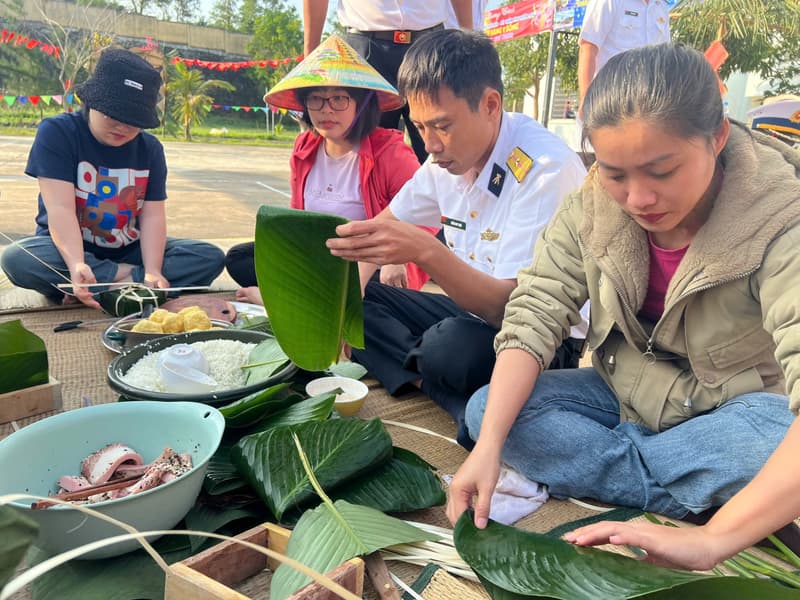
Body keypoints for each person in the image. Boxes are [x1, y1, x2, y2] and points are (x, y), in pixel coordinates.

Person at [446, 44, 800, 537]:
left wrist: (710, 543)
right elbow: (535, 312)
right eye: (615, 174)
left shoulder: (782, 218)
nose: (638, 198)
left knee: (776, 435)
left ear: (717, 137)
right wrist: (487, 449)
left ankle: (658, 477)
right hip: (625, 392)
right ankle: (694, 483)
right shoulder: (590, 207)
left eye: (662, 171)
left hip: (733, 408)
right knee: (489, 411)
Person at [326, 30, 587, 448]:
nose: (429, 144)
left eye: (442, 126)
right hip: (469, 315)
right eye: (419, 126)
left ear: (489, 105)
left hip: (541, 340)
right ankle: (435, 385)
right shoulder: (442, 162)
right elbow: (376, 232)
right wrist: (342, 309)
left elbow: (510, 310)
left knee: (450, 348)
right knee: (361, 301)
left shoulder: (543, 170)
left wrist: (426, 251)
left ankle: (430, 374)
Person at [1, 48, 225, 309]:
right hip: (66, 249)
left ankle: (106, 285)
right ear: (92, 101)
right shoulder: (58, 133)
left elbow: (152, 215)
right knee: (18, 259)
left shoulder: (150, 149)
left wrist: (152, 269)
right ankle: (119, 281)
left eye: (134, 121)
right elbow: (59, 209)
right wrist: (76, 263)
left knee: (209, 257)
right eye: (113, 116)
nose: (123, 128)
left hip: (128, 246)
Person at [227, 35, 432, 303]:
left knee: (375, 295)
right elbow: (296, 221)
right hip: (320, 255)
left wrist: (397, 256)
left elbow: (425, 213)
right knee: (239, 259)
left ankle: (284, 298)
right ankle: (307, 294)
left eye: (339, 99)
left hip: (372, 263)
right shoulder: (304, 147)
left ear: (361, 103)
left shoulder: (390, 152)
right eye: (316, 99)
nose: (327, 110)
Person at [303, 0, 474, 163]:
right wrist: (310, 63)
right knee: (365, 154)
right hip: (365, 50)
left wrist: (469, 45)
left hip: (431, 48)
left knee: (443, 149)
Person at [577, 0, 671, 117]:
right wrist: (585, 98)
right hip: (609, 100)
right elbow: (588, 48)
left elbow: (665, 56)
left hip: (648, 105)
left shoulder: (661, 6)